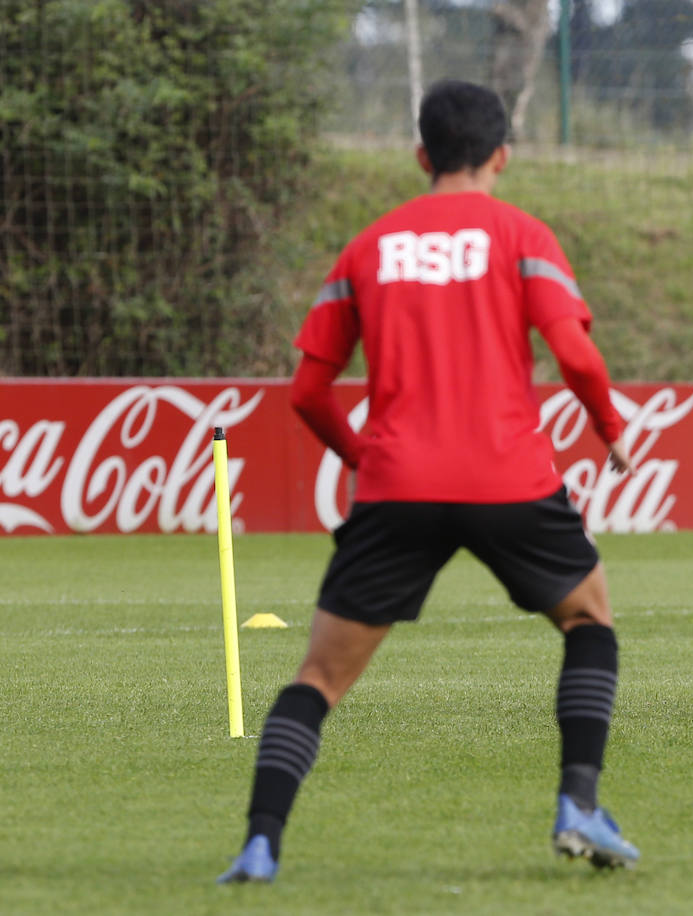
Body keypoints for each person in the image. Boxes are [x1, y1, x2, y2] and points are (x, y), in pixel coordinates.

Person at [217, 79, 639, 883]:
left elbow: (305, 391)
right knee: (589, 620)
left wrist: (360, 456)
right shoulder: (522, 235)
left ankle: (260, 842)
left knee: (318, 676)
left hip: (396, 486)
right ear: (502, 155)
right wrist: (610, 431)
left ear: (421, 155)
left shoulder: (368, 247)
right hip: (509, 479)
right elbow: (577, 356)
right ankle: (577, 805)